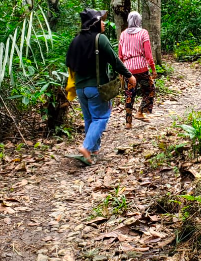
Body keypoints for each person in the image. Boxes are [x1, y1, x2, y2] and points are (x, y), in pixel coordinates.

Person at [65, 9, 135, 165]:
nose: (104, 23)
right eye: (101, 20)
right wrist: (129, 75)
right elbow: (114, 60)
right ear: (94, 23)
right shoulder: (100, 38)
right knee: (101, 118)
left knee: (90, 119)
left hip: (80, 88)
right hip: (96, 88)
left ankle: (93, 152)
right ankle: (86, 147)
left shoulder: (76, 40)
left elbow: (69, 63)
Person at [118, 11, 157, 129]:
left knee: (129, 94)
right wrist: (153, 68)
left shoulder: (123, 34)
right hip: (141, 68)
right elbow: (148, 54)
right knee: (150, 89)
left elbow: (120, 55)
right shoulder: (143, 33)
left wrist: (120, 71)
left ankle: (128, 122)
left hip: (128, 70)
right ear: (139, 20)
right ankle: (140, 112)